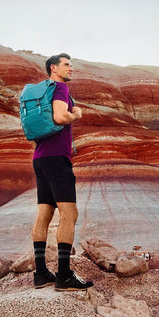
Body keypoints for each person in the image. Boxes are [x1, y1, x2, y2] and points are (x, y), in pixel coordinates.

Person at [31, 53, 91, 290]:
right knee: (70, 214)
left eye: (72, 64)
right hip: (57, 159)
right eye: (67, 64)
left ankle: (40, 274)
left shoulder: (43, 91)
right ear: (54, 68)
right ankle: (64, 276)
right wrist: (76, 114)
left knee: (44, 214)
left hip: (41, 158)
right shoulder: (59, 88)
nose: (71, 68)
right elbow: (59, 116)